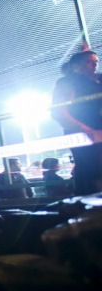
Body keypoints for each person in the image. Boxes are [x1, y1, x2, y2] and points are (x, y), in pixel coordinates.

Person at [50, 50, 102, 195]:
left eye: (96, 62)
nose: (94, 65)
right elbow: (58, 111)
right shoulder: (68, 82)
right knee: (92, 172)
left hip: (96, 132)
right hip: (84, 134)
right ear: (75, 66)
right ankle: (89, 204)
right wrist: (83, 129)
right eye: (89, 62)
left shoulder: (97, 81)